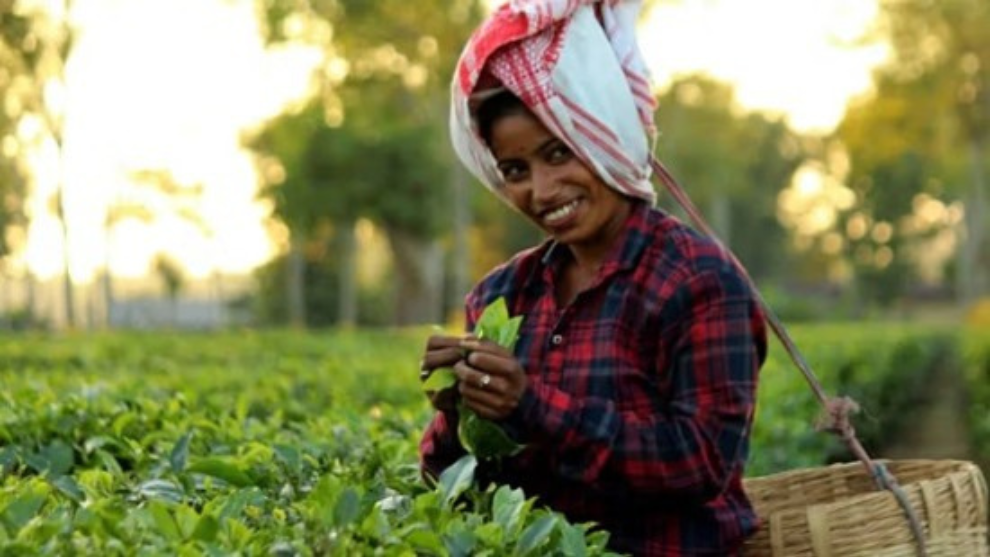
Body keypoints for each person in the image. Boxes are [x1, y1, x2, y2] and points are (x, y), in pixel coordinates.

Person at [419, 1, 767, 555]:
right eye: (516, 171)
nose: (543, 189)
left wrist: (532, 407)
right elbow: (450, 478)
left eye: (559, 153)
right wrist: (459, 408)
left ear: (603, 132)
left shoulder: (698, 280)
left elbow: (700, 462)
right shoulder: (501, 296)